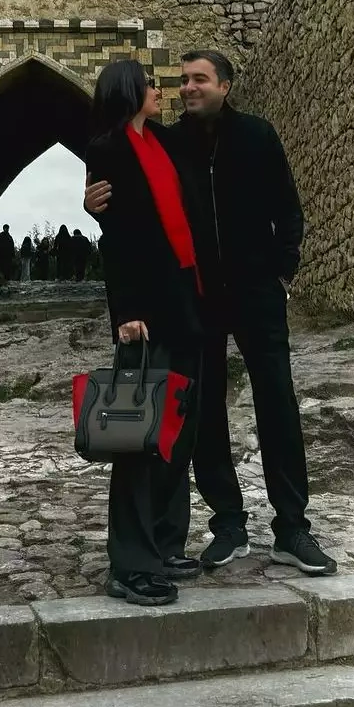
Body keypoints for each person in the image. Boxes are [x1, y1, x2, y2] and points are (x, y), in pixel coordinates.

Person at [85, 49, 336, 577]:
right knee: (204, 415)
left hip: (258, 294)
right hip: (199, 300)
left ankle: (293, 527)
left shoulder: (258, 135)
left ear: (225, 85)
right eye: (182, 80)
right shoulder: (170, 141)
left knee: (277, 402)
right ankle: (228, 524)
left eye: (199, 79)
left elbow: (288, 208)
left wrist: (283, 271)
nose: (187, 88)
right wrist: (93, 206)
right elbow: (130, 192)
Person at [86, 58, 206, 607]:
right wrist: (126, 310)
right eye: (151, 83)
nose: (161, 90)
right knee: (139, 434)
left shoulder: (166, 142)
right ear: (129, 91)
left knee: (178, 429)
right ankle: (131, 563)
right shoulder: (109, 149)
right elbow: (118, 236)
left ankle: (165, 542)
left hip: (187, 301)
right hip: (147, 309)